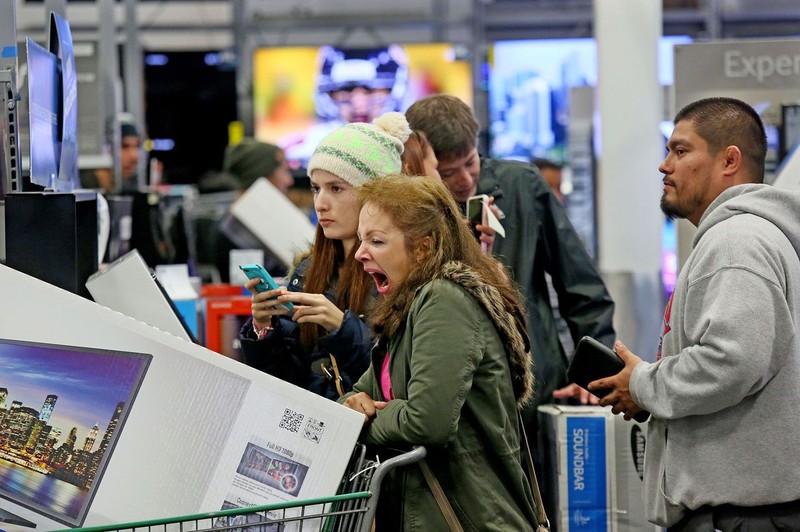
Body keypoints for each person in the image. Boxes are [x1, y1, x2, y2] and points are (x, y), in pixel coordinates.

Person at [589, 96, 800, 530]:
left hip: (740, 518)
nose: (665, 166)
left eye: (681, 151)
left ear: (729, 160)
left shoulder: (736, 242)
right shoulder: (746, 236)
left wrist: (644, 384)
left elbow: (733, 361)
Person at [405, 94, 615, 465]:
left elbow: (580, 287)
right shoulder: (410, 213)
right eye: (449, 172)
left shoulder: (523, 186)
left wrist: (599, 379)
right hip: (453, 396)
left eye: (470, 163)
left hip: (532, 393)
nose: (465, 180)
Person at [342, 174, 537, 530]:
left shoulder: (444, 299)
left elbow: (427, 422)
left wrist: (364, 422)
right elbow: (356, 396)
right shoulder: (408, 308)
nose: (360, 253)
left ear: (424, 248)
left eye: (377, 241)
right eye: (361, 239)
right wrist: (356, 408)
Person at [238, 112, 412, 400]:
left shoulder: (400, 274)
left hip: (374, 436)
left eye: (336, 188)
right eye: (316, 188)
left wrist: (341, 327)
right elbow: (284, 382)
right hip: (313, 428)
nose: (321, 203)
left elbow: (401, 382)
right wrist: (263, 328)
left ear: (376, 196)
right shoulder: (307, 271)